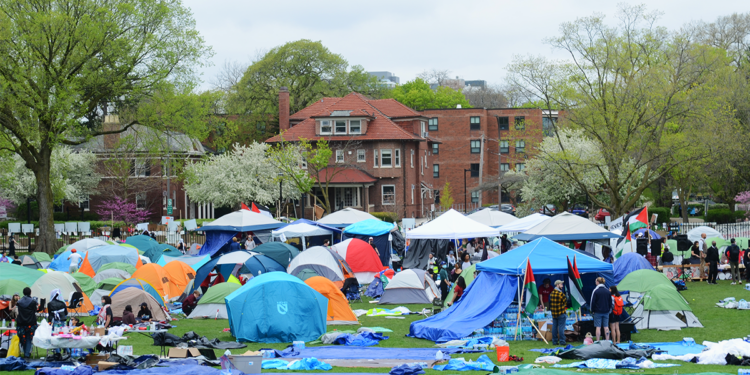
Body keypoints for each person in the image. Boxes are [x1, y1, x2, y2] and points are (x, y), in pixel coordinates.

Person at [16, 287, 40, 359]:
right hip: (31, 323)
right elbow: (35, 310)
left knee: (23, 338)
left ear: (23, 293)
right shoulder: (33, 302)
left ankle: (25, 352)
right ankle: (27, 354)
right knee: (29, 338)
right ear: (30, 292)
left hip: (21, 323)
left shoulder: (19, 302)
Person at [590, 277, 612, 341]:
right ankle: (607, 340)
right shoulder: (607, 291)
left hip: (597, 312)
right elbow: (610, 302)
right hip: (606, 311)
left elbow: (592, 302)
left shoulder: (596, 291)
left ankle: (598, 341)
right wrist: (609, 309)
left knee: (598, 327)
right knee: (606, 327)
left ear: (597, 282)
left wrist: (592, 310)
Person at [549, 280, 567, 346]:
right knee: (561, 328)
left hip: (554, 313)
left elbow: (550, 303)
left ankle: (554, 341)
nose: (562, 286)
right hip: (561, 313)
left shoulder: (552, 293)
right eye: (561, 284)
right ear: (557, 285)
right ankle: (562, 341)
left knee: (554, 327)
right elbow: (565, 302)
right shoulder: (561, 294)